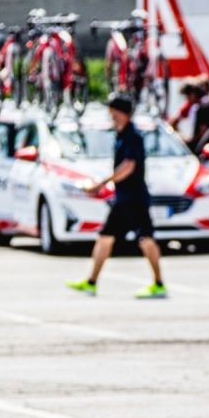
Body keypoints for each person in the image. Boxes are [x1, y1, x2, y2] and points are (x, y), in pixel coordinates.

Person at [66, 93, 166, 299]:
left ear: (123, 113)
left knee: (145, 239)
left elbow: (129, 166)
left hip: (134, 198)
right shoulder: (120, 135)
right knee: (105, 237)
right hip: (123, 199)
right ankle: (91, 282)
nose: (111, 115)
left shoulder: (132, 136)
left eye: (114, 112)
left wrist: (101, 184)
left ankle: (159, 284)